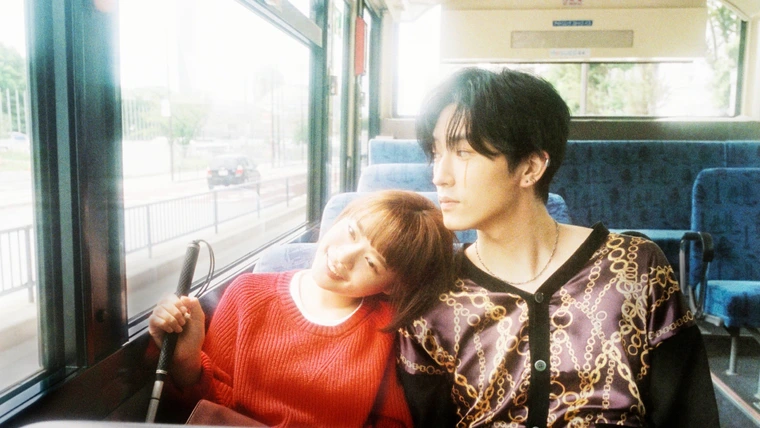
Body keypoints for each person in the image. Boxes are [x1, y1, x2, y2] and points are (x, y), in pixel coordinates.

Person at [396, 68, 720, 428]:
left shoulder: (633, 268)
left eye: (462, 152)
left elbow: (689, 414)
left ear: (530, 167)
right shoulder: (435, 289)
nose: (439, 175)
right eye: (436, 153)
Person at [148, 190, 455, 427]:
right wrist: (186, 361)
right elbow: (211, 409)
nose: (344, 257)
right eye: (351, 232)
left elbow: (391, 422)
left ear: (391, 286)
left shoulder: (388, 329)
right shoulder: (246, 294)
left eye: (371, 262)